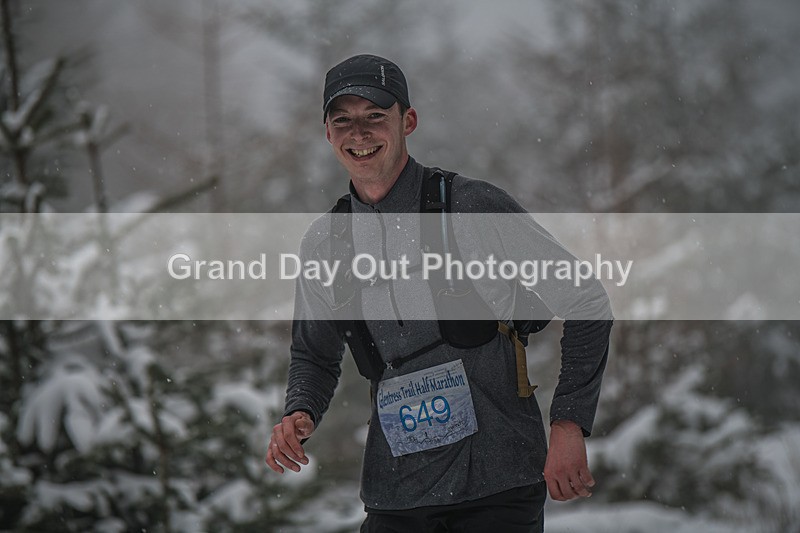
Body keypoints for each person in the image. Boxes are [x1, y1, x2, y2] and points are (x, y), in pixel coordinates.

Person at [266, 54, 613, 532]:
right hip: (397, 492)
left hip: (499, 483)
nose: (358, 134)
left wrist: (569, 423)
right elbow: (314, 355)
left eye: (375, 117)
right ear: (327, 133)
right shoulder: (325, 242)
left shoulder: (472, 206)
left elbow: (586, 300)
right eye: (342, 120)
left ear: (408, 121)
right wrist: (300, 412)